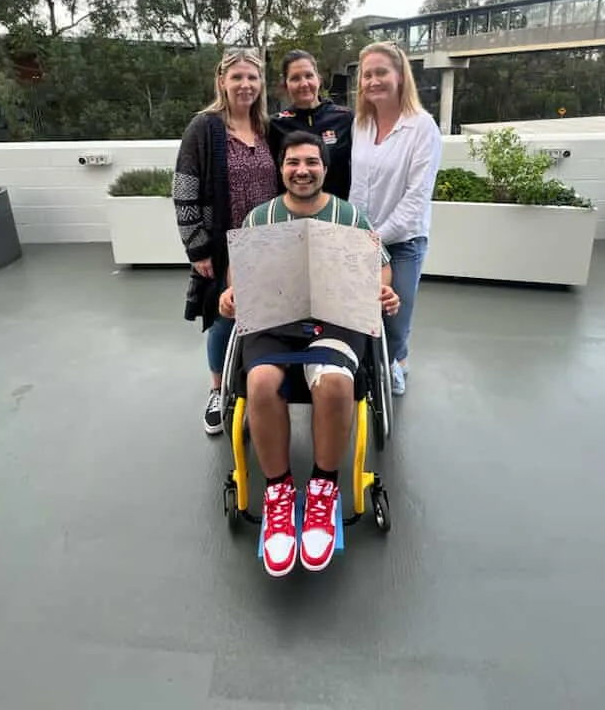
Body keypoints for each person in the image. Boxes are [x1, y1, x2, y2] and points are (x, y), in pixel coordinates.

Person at [218, 130, 400, 577]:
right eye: (293, 162)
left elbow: (381, 267)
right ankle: (279, 491)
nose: (302, 170)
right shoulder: (260, 217)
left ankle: (323, 487)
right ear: (281, 168)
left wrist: (385, 291)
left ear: (324, 167)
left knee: (336, 384)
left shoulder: (351, 216)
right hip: (275, 320)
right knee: (260, 382)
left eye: (311, 162)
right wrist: (229, 295)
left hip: (335, 319)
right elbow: (236, 275)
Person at [174, 49, 279, 436]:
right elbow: (183, 188)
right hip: (223, 246)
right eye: (236, 77)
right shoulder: (204, 128)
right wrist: (197, 247)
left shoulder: (268, 128)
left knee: (267, 317)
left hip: (268, 243)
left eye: (252, 77)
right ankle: (218, 391)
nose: (245, 85)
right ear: (222, 81)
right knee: (224, 317)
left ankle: (256, 391)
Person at [349, 41, 443, 397]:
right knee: (359, 310)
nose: (373, 81)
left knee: (394, 316)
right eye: (367, 75)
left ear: (401, 76)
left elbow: (416, 199)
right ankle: (373, 362)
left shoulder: (422, 128)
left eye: (381, 72)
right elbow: (357, 188)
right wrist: (356, 233)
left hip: (403, 242)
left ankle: (397, 363)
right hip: (362, 238)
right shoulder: (360, 123)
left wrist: (376, 237)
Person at [268, 50, 354, 200]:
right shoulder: (275, 124)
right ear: (285, 85)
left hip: (337, 214)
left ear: (318, 79)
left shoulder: (345, 118)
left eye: (309, 76)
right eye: (295, 78)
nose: (304, 84)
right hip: (293, 215)